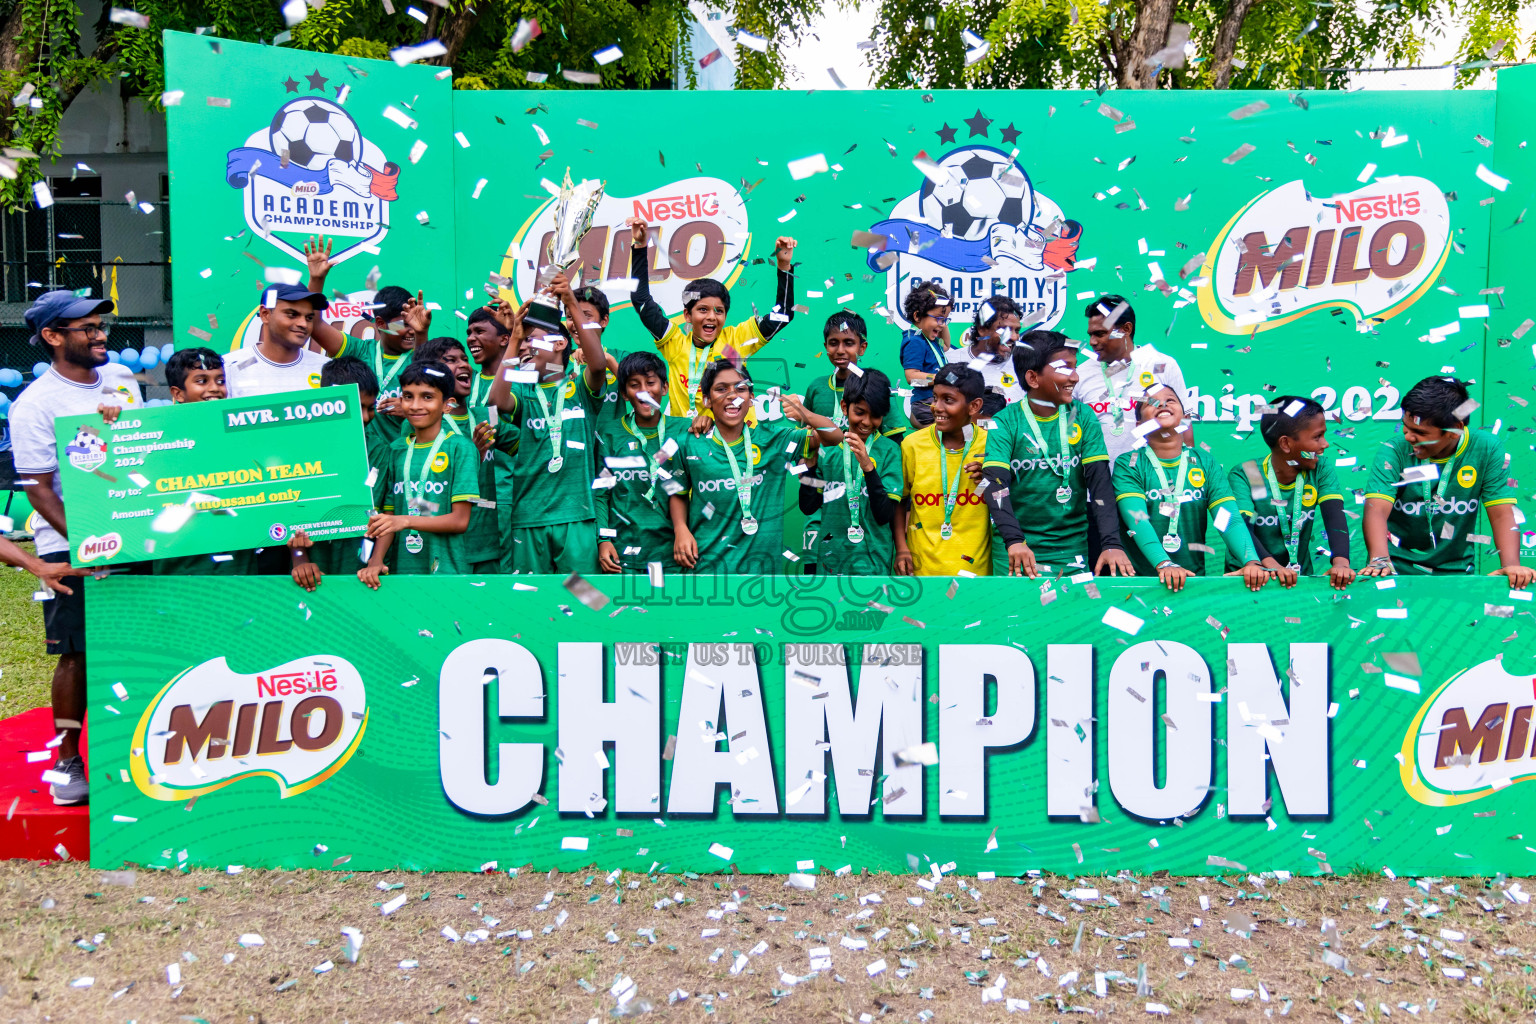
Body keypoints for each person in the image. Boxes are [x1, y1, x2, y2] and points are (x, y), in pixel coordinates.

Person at [9, 289, 143, 806]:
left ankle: (142, 749)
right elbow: (39, 487)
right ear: (52, 337)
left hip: (140, 534)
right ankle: (68, 759)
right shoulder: (36, 405)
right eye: (86, 328)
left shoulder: (121, 379)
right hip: (74, 551)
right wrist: (89, 544)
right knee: (76, 655)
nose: (100, 334)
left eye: (99, 325)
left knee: (142, 644)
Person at [979, 330, 1132, 578]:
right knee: (1017, 618)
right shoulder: (1004, 422)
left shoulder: (1083, 416)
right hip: (1016, 551)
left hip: (1072, 550)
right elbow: (995, 484)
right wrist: (1014, 541)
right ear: (1033, 378)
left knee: (1070, 618)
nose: (1074, 377)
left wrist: (1111, 543)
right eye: (1064, 369)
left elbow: (1100, 484)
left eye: (1074, 368)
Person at [486, 273, 609, 574]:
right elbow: (496, 403)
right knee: (532, 606)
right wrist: (513, 339)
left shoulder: (580, 389)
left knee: (582, 601)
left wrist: (570, 303)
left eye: (532, 339)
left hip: (576, 517)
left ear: (558, 343)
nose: (526, 346)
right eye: (523, 340)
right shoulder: (524, 391)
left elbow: (597, 363)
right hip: (528, 518)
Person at [673, 359, 842, 575]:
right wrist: (680, 529)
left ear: (752, 398)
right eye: (721, 389)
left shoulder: (775, 439)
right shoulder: (689, 443)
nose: (732, 396)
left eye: (740, 388)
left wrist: (804, 414)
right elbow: (676, 491)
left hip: (761, 575)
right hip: (706, 568)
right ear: (706, 399)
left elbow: (835, 436)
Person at [1361, 376, 1533, 586]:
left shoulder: (1487, 448)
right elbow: (1376, 510)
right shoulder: (1393, 450)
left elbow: (1501, 514)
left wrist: (1511, 565)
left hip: (1457, 577)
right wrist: (1379, 561)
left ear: (1455, 430)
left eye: (1420, 432)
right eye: (1406, 427)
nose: (1408, 437)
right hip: (1393, 574)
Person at [626, 218, 797, 416]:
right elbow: (641, 301)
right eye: (703, 310)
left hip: (731, 441)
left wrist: (784, 266)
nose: (711, 317)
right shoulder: (675, 343)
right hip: (688, 442)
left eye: (719, 311)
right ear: (687, 315)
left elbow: (783, 314)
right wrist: (639, 246)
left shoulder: (736, 340)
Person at [1113, 385, 1267, 592]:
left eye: (1170, 400)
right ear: (1139, 425)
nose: (1162, 404)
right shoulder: (1129, 463)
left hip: (1192, 584)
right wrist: (1164, 563)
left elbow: (1226, 518)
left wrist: (1251, 561)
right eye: (1151, 402)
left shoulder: (1205, 462)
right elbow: (1137, 519)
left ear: (1185, 419)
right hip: (1142, 584)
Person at [359, 362, 481, 586]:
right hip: (400, 571)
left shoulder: (460, 448)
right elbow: (391, 514)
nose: (415, 405)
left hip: (446, 571)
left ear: (447, 405)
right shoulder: (395, 450)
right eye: (408, 396)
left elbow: (460, 520)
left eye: (427, 397)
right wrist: (375, 561)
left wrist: (405, 521)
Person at [303, 240, 431, 443]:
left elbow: (430, 389)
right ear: (380, 323)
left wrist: (410, 408)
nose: (410, 331)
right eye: (402, 325)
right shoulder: (360, 350)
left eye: (413, 324)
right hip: (364, 456)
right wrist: (316, 278)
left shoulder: (420, 356)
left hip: (406, 460)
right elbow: (315, 324)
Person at [1228, 395, 1355, 589]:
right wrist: (1272, 567)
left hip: (1297, 581)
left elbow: (1334, 517)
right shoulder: (1250, 473)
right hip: (1251, 577)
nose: (1325, 444)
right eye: (1317, 437)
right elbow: (1242, 528)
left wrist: (1341, 563)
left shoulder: (1320, 468)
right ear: (1286, 444)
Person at [152, 349, 258, 577]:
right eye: (201, 381)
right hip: (179, 565)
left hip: (238, 564)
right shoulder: (157, 442)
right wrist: (110, 421)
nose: (214, 389)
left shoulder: (243, 439)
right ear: (177, 394)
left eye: (220, 381)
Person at [290, 356, 389, 590]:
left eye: (370, 407)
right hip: (313, 562)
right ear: (328, 402)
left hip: (361, 564)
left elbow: (381, 513)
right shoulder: (299, 450)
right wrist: (300, 558)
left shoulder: (377, 450)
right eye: (356, 407)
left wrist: (372, 561)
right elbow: (289, 512)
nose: (365, 417)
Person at [594, 351, 692, 573]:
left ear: (664, 388)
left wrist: (705, 421)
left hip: (673, 553)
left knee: (663, 605)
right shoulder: (610, 433)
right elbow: (602, 493)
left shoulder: (684, 430)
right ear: (625, 394)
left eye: (650, 383)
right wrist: (603, 539)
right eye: (634, 385)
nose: (644, 392)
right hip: (621, 555)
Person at [799, 368, 902, 575]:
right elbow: (809, 506)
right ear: (845, 407)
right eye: (860, 412)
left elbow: (884, 515)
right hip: (830, 562)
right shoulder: (828, 451)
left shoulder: (890, 452)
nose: (866, 422)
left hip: (873, 563)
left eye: (875, 416)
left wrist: (868, 467)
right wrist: (809, 468)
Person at [411, 336, 501, 573]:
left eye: (464, 358)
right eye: (451, 360)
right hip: (443, 546)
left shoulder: (487, 416)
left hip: (486, 544)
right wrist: (474, 455)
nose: (464, 365)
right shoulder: (418, 425)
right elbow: (416, 493)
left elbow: (533, 443)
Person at [895, 364, 990, 576]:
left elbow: (1008, 501)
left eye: (948, 400)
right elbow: (900, 502)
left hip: (978, 573)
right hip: (923, 571)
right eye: (934, 397)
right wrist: (902, 549)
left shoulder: (990, 447)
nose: (936, 407)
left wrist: (993, 479)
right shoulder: (912, 445)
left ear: (974, 406)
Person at [1076, 294, 1192, 461]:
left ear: (1126, 329)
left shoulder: (1162, 364)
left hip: (1152, 482)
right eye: (1090, 334)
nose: (1092, 342)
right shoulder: (1081, 374)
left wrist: (1189, 468)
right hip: (1098, 483)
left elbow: (1184, 421)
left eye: (1100, 333)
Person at [222, 283, 332, 398]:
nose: (303, 324)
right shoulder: (230, 368)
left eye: (309, 318)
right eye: (292, 315)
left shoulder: (325, 368)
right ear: (265, 314)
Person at [946, 296, 1024, 418]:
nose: (1014, 337)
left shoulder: (1023, 367)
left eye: (1017, 331)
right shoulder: (949, 362)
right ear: (982, 329)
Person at [899, 281, 952, 427]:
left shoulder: (931, 339)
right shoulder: (915, 341)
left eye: (945, 320)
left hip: (936, 400)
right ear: (917, 316)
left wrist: (941, 318)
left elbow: (946, 345)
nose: (942, 325)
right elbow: (912, 378)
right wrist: (942, 378)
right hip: (926, 404)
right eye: (938, 319)